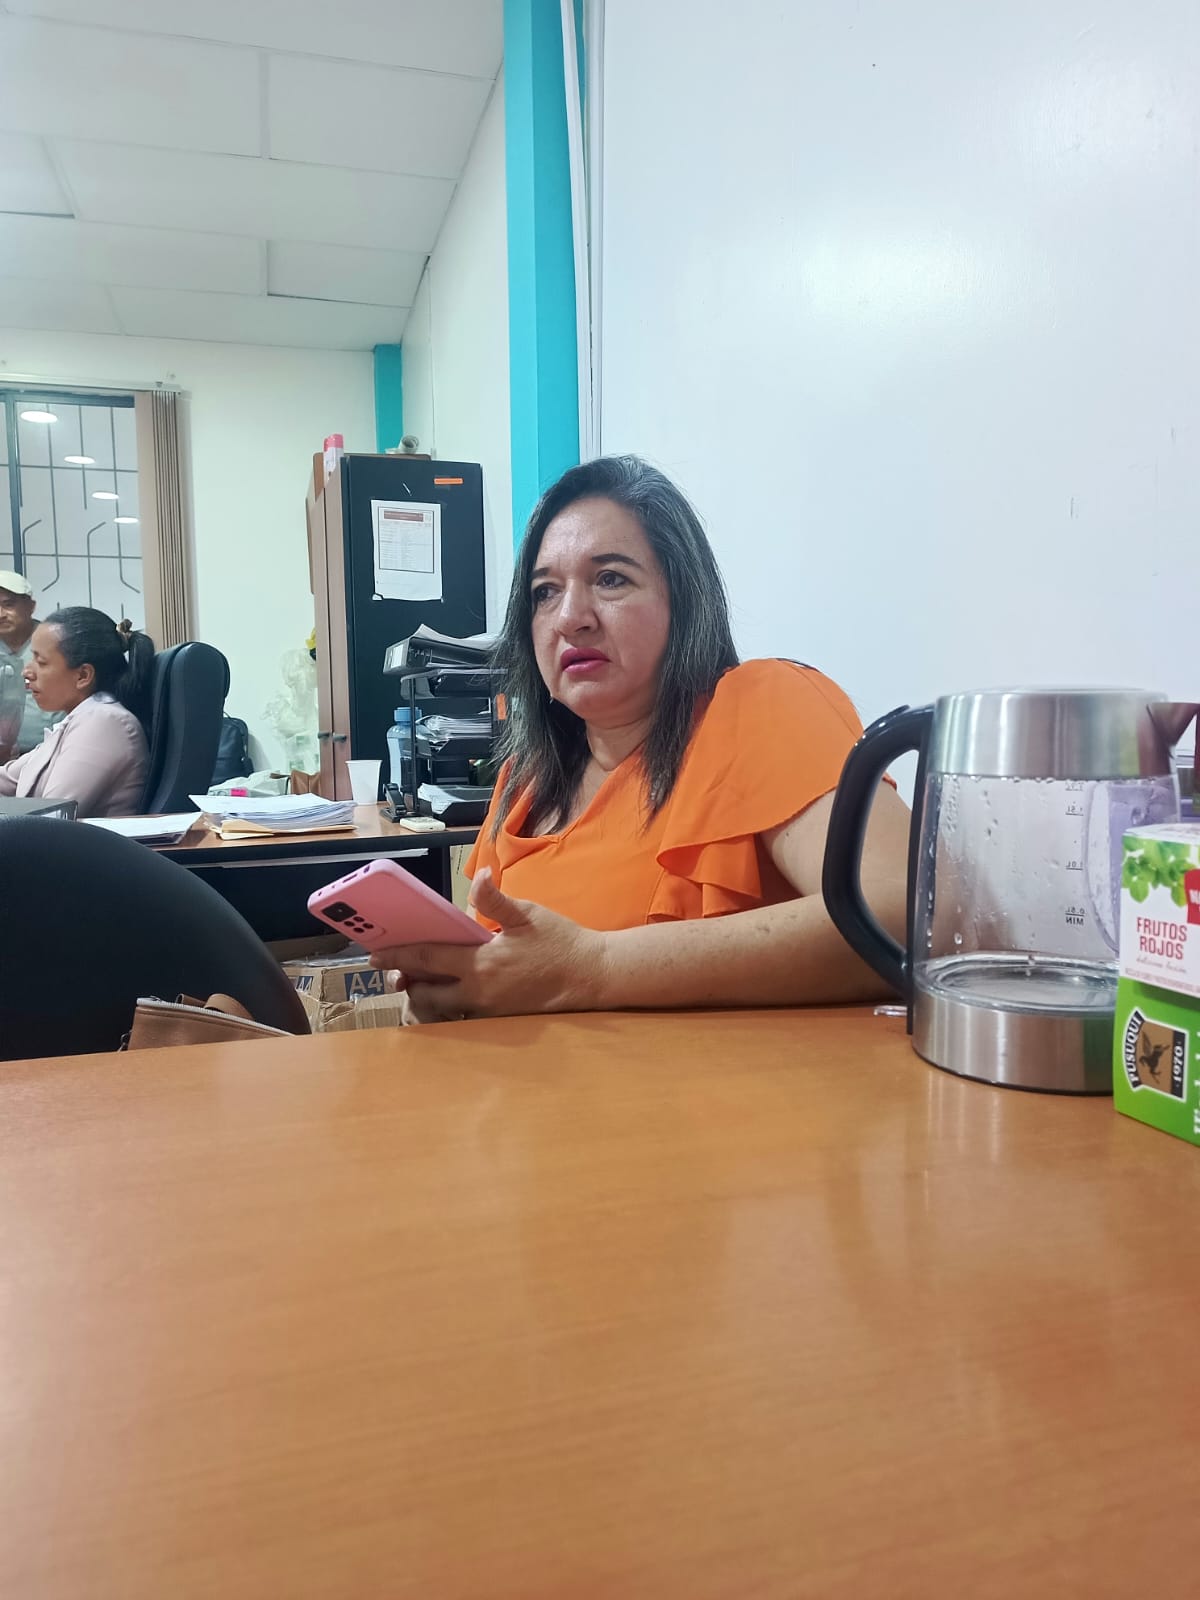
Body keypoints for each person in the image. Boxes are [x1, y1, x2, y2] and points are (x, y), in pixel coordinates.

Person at [371, 455, 910, 1023]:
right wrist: (448, 994)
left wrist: (592, 968)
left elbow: (905, 918)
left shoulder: (763, 704)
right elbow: (496, 972)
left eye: (611, 579)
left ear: (683, 600)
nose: (570, 617)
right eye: (545, 592)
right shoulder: (522, 784)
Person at [0, 605, 154, 817]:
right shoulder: (78, 720)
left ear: (83, 676)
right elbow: (6, 779)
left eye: (41, 662)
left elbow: (51, 816)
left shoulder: (104, 723)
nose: (27, 672)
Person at [0, 569, 61, 760]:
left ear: (31, 606)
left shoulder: (57, 642)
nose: (0, 614)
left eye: (8, 604)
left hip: (53, 754)